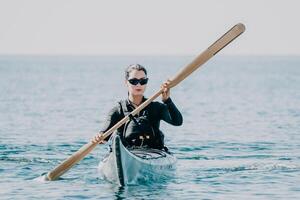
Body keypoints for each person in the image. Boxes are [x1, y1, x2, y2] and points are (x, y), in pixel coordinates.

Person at [92, 64, 183, 150]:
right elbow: (104, 136)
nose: (139, 85)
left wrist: (167, 101)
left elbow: (177, 122)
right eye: (134, 81)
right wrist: (99, 137)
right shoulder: (117, 111)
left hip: (153, 152)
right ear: (126, 83)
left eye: (143, 81)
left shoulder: (157, 107)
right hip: (127, 152)